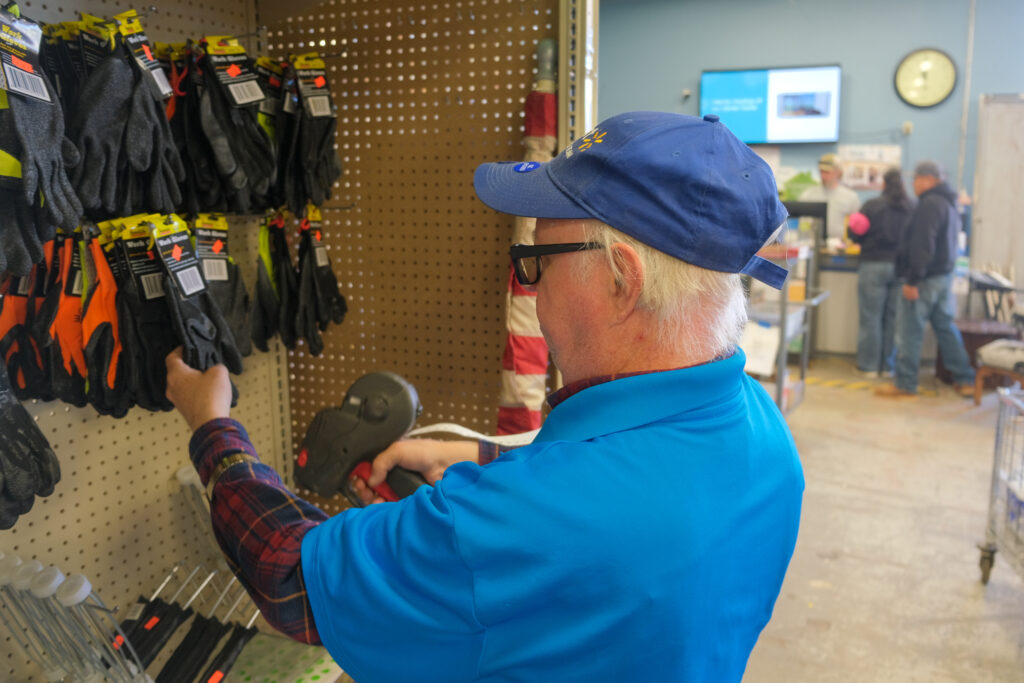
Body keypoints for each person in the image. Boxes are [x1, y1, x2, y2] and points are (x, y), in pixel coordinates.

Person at [165, 111, 804, 682]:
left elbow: (288, 576)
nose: (530, 287)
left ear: (622, 278)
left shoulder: (532, 520)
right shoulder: (764, 434)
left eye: (536, 261)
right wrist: (484, 465)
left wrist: (211, 423)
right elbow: (624, 507)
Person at [876, 161, 975, 398]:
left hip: (924, 279)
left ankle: (905, 383)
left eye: (916, 179)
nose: (913, 185)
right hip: (943, 277)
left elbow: (923, 244)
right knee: (945, 328)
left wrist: (912, 280)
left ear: (928, 179)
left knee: (909, 330)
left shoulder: (929, 204)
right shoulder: (949, 203)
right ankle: (965, 378)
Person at [847, 168, 915, 377]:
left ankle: (868, 367)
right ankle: (887, 367)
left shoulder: (871, 205)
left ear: (883, 184)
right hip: (901, 268)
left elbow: (854, 233)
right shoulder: (912, 207)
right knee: (893, 318)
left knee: (871, 318)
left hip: (873, 265)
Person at [800, 153, 861, 241]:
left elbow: (856, 226)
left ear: (838, 172)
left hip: (840, 248)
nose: (823, 176)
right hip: (813, 244)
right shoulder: (808, 195)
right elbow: (802, 223)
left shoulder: (851, 197)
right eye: (821, 171)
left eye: (827, 172)